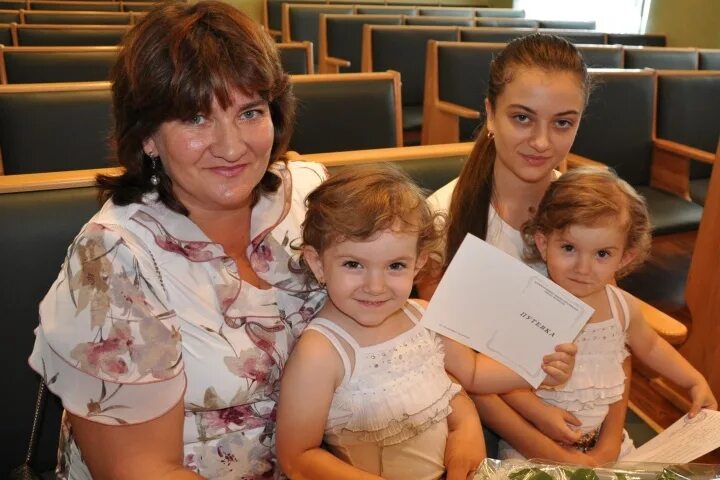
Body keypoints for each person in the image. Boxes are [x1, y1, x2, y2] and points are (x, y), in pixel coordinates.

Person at [27, 2, 329, 478]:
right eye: (195, 118)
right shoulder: (113, 261)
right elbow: (143, 469)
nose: (232, 147)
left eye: (250, 111)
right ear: (148, 136)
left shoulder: (310, 195)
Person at [276, 164, 578, 479]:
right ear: (317, 263)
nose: (376, 286)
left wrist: (542, 368)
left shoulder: (424, 316)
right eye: (353, 264)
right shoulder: (320, 353)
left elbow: (473, 374)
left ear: (418, 262)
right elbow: (298, 457)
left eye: (395, 265)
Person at [416, 32, 623, 465]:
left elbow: (610, 334)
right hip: (494, 426)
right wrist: (551, 448)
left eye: (563, 122)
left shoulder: (584, 212)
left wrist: (606, 448)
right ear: (490, 114)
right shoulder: (444, 218)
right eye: (523, 118)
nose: (543, 142)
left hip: (586, 418)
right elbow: (457, 367)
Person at [500, 167, 718, 462]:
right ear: (543, 242)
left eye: (602, 254)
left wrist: (693, 380)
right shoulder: (531, 306)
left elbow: (652, 347)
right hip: (532, 444)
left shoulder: (622, 307)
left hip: (602, 446)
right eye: (568, 248)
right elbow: (501, 381)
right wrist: (540, 414)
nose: (583, 268)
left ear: (624, 257)